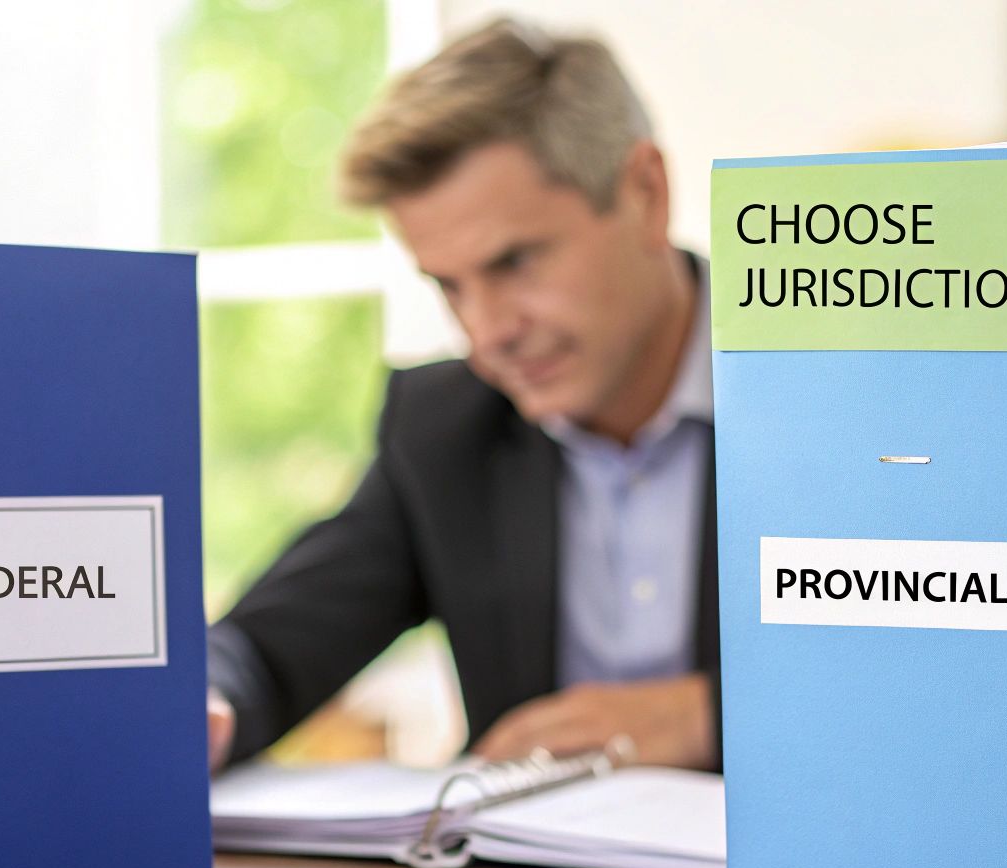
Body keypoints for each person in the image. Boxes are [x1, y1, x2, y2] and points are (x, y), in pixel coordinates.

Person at [206, 18, 718, 772]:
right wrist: (204, 702)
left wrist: (717, 715)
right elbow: (264, 649)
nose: (486, 336)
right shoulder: (447, 430)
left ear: (645, 193)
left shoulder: (847, 409)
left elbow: (948, 673)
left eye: (515, 262)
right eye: (449, 285)